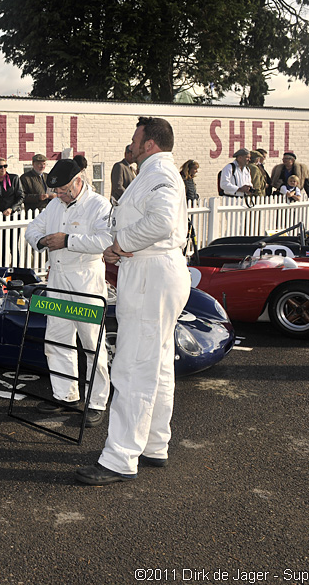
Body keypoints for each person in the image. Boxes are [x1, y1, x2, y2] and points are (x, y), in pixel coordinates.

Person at [77, 117, 190, 485]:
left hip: (150, 273)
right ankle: (155, 443)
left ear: (150, 144)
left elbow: (161, 222)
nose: (131, 144)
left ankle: (121, 457)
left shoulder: (160, 173)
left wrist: (119, 245)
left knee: (132, 367)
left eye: (135, 139)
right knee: (156, 364)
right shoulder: (152, 172)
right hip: (153, 271)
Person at [24, 159, 112, 427]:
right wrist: (40, 240)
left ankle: (96, 401)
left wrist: (67, 241)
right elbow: (32, 228)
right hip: (58, 280)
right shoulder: (54, 205)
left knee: (91, 342)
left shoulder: (98, 205)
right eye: (57, 191)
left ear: (78, 180)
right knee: (57, 338)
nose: (59, 195)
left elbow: (106, 240)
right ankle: (66, 395)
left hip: (86, 281)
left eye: (63, 189)